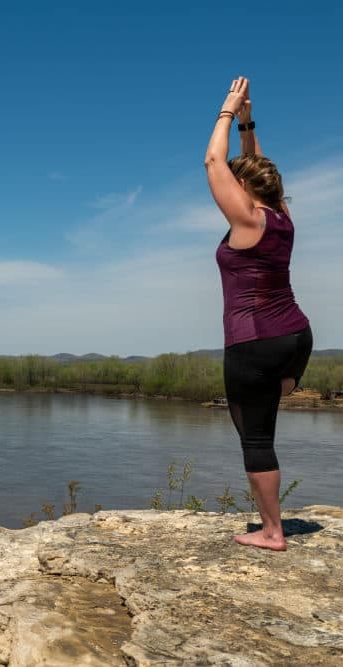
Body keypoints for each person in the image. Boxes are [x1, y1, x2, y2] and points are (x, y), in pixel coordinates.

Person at [205, 76, 313, 551]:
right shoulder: (282, 217)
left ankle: (272, 532)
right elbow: (259, 167)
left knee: (255, 437)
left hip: (255, 342)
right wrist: (250, 123)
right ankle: (269, 523)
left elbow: (212, 161)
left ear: (245, 186)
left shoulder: (247, 220)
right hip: (296, 338)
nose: (230, 180)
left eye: (237, 178)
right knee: (260, 427)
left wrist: (226, 111)